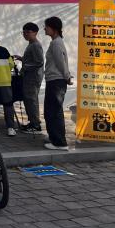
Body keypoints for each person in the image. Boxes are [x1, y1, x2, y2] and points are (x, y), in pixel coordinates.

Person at [43, 17, 71, 151]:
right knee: (52, 111)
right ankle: (55, 138)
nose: (44, 29)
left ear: (53, 28)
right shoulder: (56, 42)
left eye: (46, 26)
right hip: (55, 80)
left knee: (53, 111)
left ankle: (59, 142)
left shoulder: (56, 44)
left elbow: (61, 63)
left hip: (56, 81)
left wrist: (67, 76)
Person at [14, 22, 44, 134]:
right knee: (29, 100)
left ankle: (35, 125)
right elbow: (32, 59)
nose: (25, 34)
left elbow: (39, 62)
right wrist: (21, 58)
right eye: (24, 32)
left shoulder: (35, 45)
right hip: (29, 76)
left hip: (33, 77)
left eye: (28, 32)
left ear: (35, 32)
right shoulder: (31, 44)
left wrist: (25, 66)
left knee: (31, 100)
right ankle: (33, 122)